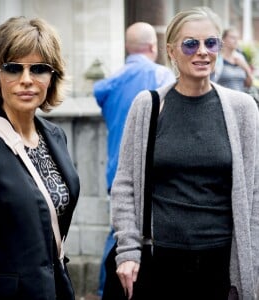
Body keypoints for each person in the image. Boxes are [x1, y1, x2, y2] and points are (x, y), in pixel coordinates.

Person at [108, 6, 259, 300]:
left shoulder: (243, 109)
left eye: (210, 43)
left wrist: (253, 263)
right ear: (171, 51)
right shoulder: (148, 106)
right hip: (160, 261)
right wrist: (127, 250)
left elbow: (255, 193)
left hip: (222, 264)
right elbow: (124, 184)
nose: (202, 52)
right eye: (190, 44)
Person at [0, 16, 80, 299]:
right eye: (13, 68)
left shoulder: (54, 136)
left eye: (38, 69)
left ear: (52, 77)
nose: (26, 80)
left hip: (54, 289)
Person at [93, 22, 175, 299]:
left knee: (117, 231)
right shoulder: (163, 76)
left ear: (128, 48)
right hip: (150, 174)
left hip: (115, 169)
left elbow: (99, 94)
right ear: (153, 47)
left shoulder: (112, 81)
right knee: (139, 238)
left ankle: (107, 290)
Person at [214, 26, 253, 92]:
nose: (236, 41)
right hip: (223, 99)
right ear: (223, 39)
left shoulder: (241, 57)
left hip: (241, 98)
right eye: (232, 38)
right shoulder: (217, 58)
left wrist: (246, 68)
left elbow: (249, 85)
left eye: (237, 38)